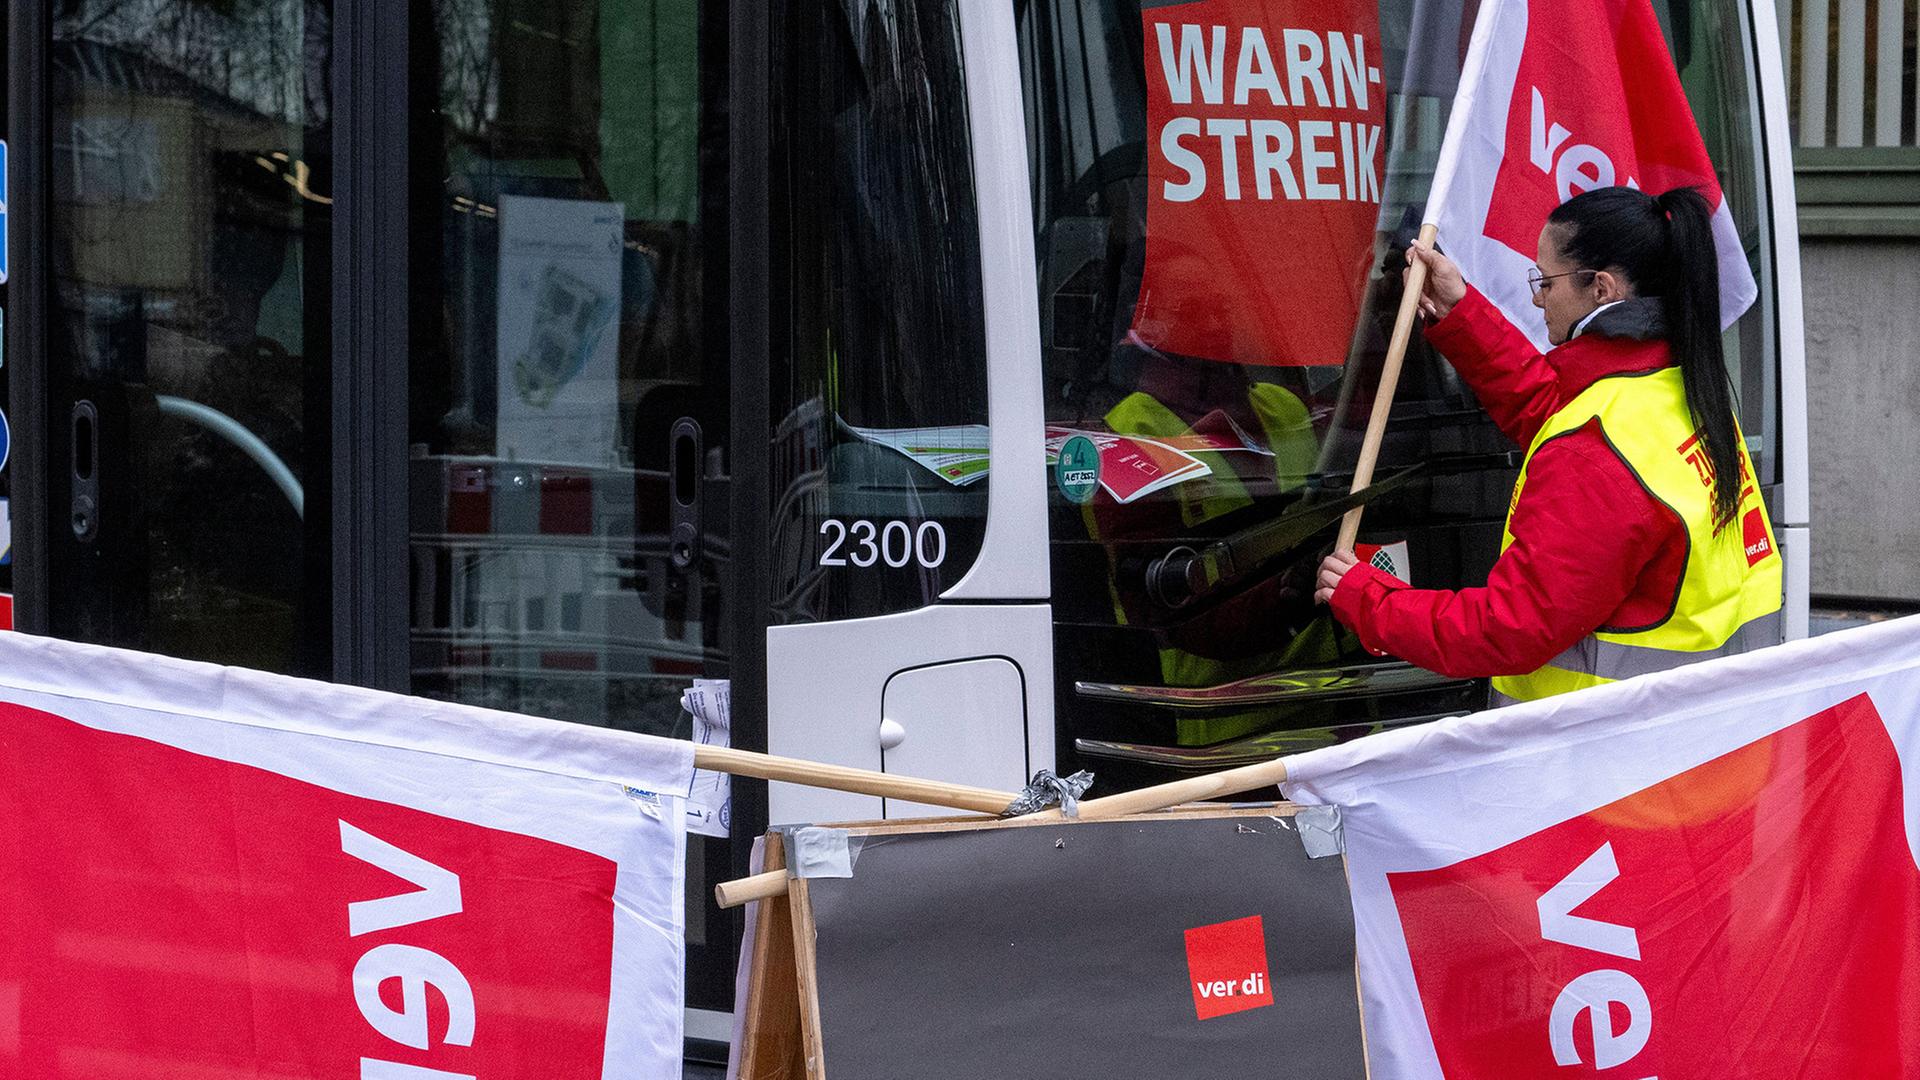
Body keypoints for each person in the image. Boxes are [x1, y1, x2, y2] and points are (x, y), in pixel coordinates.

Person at [1315, 186, 1783, 705]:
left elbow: (1507, 628)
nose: (1538, 297)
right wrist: (1461, 311)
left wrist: (1370, 601)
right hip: (1698, 746)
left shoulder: (1593, 451)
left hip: (1597, 764)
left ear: (1601, 289)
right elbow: (1551, 407)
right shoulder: (1681, 385)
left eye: (1546, 281)